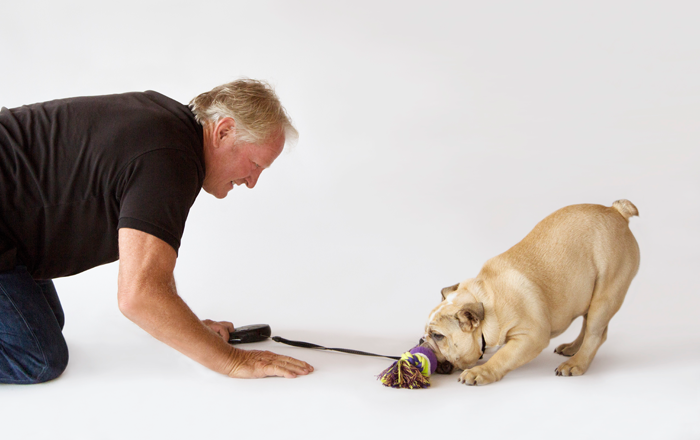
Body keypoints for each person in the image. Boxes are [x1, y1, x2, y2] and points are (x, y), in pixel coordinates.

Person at [0, 79, 314, 384]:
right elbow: (140, 295)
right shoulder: (169, 159)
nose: (252, 181)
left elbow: (154, 272)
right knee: (37, 357)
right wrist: (231, 361)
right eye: (256, 164)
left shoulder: (169, 129)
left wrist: (186, 327)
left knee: (45, 324)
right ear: (224, 131)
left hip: (11, 232)